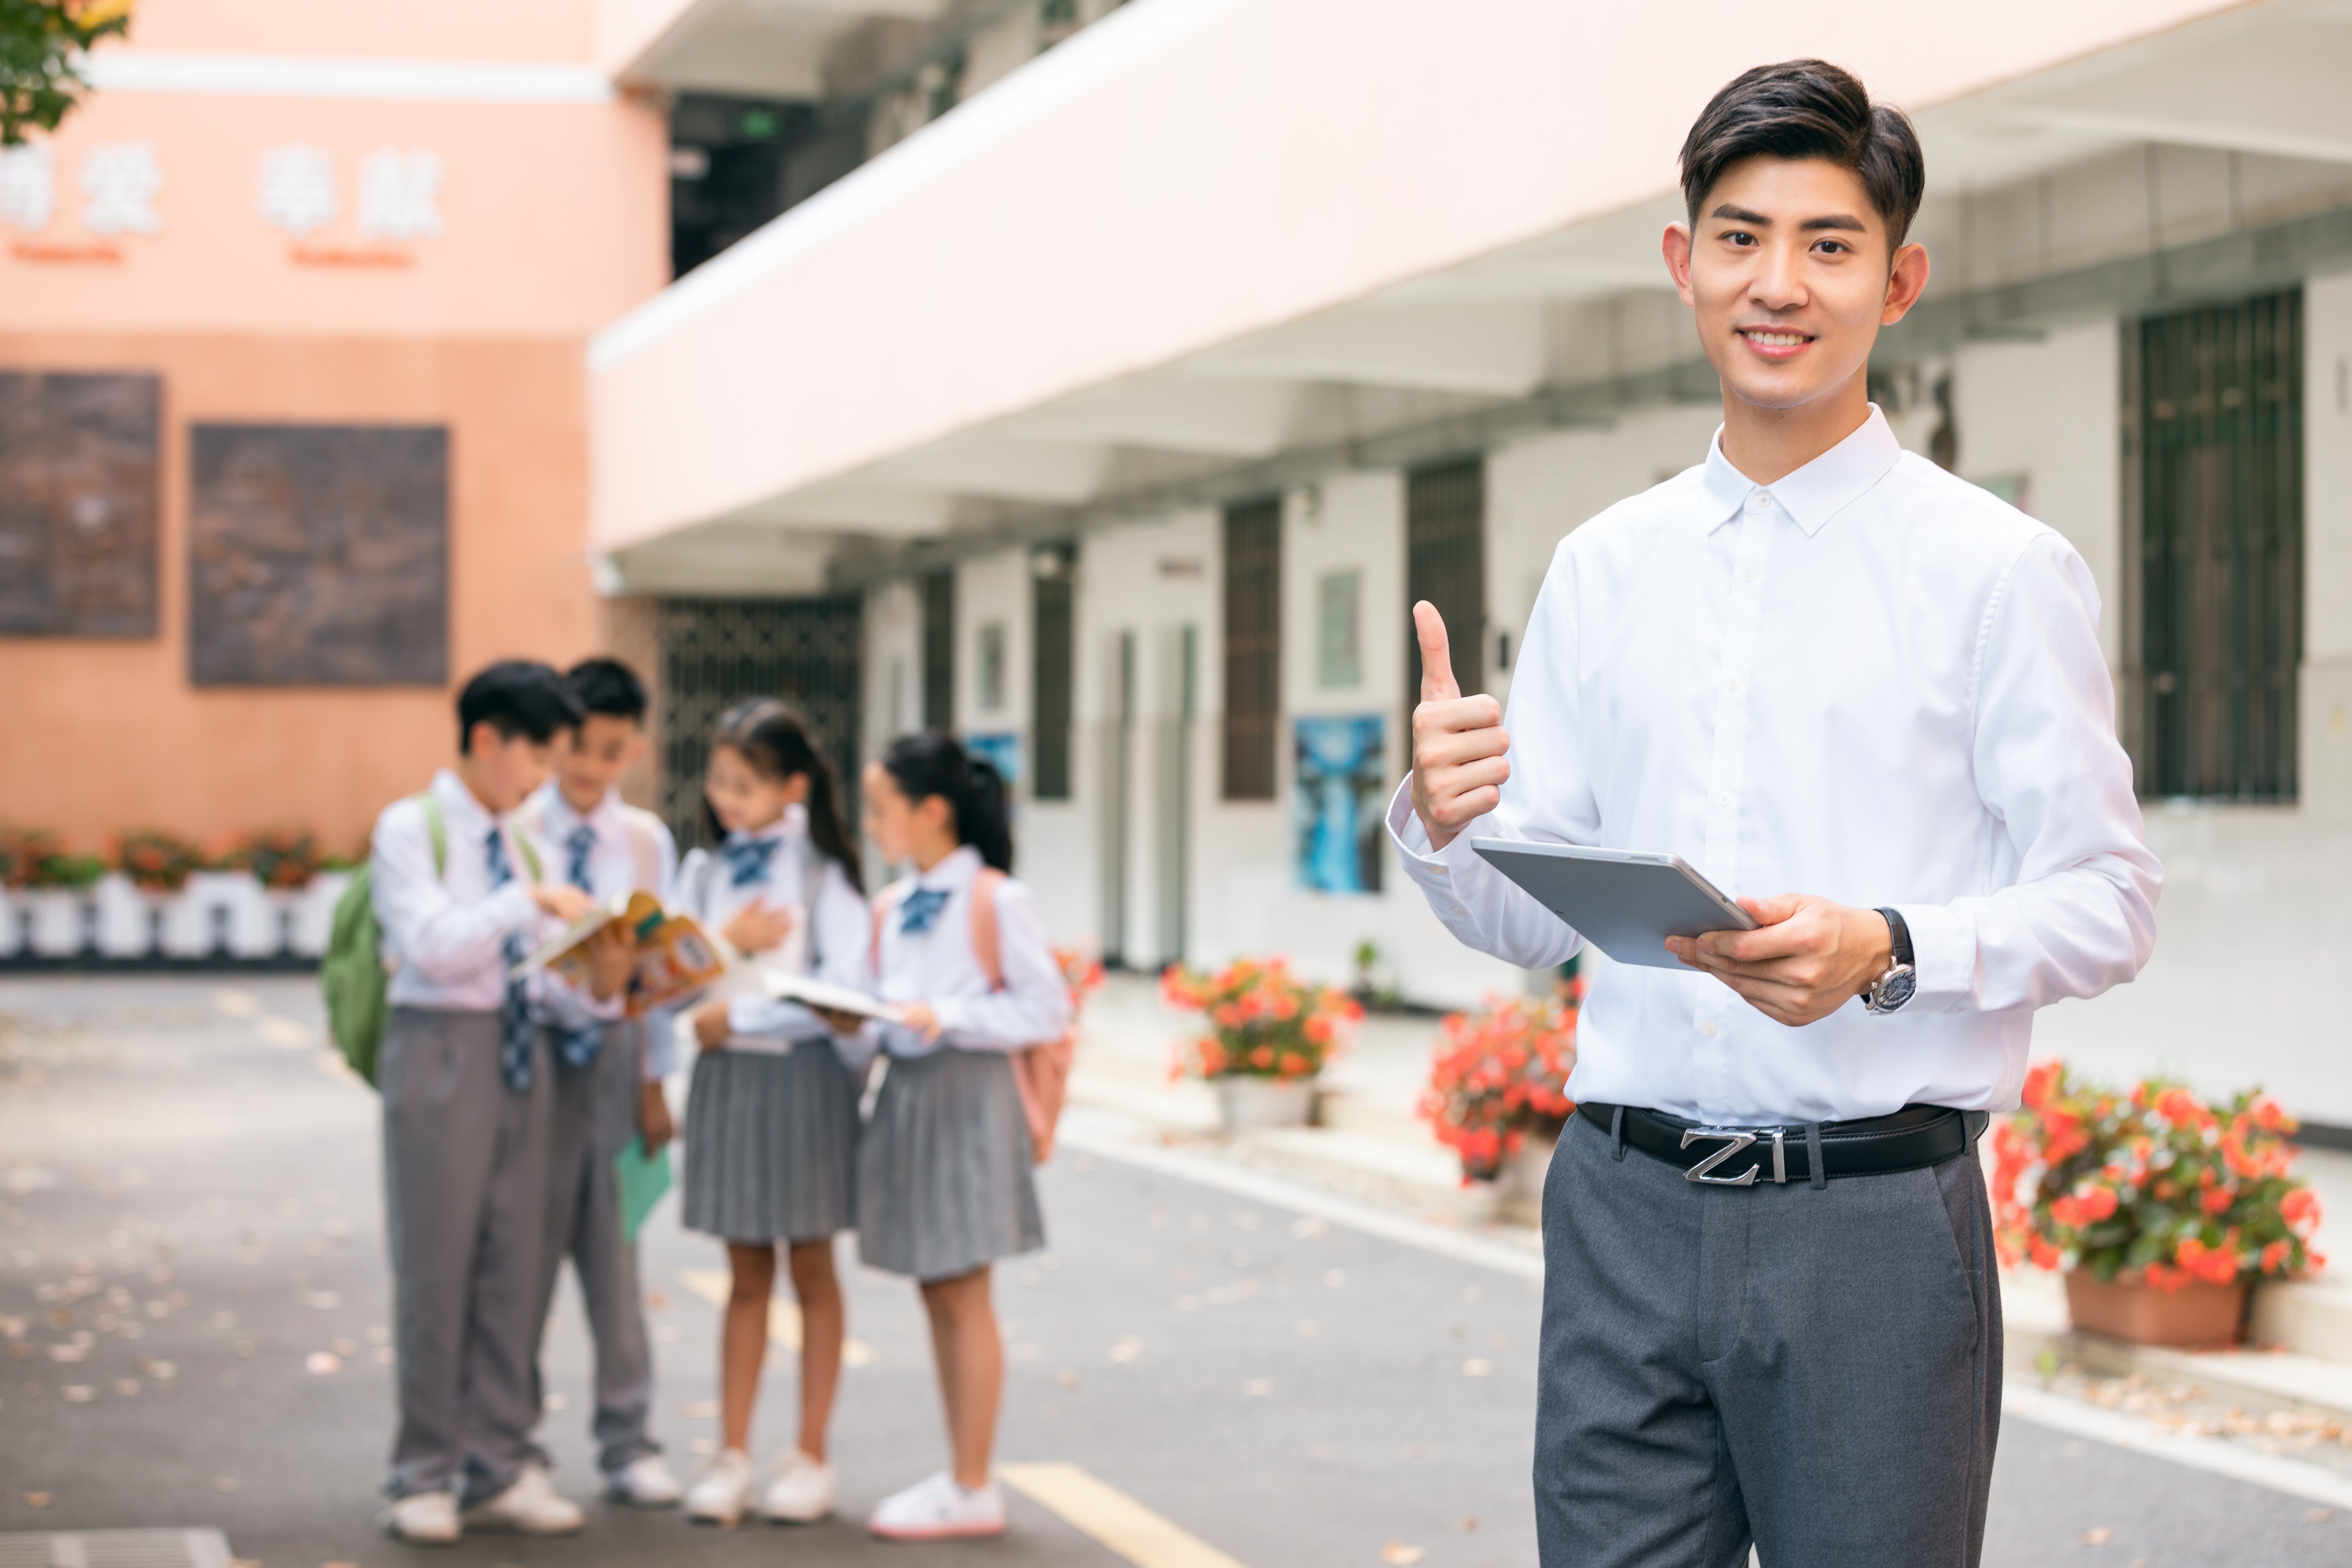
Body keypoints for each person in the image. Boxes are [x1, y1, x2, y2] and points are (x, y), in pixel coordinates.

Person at [1395, 61, 2161, 1568]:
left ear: (1899, 279)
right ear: (1682, 264)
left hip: (1870, 1224)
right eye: (1739, 237)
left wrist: (1887, 944)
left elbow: (2107, 900)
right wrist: (1443, 816)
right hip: (1619, 1203)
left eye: (1828, 243)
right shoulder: (1601, 565)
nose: (1779, 283)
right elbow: (1529, 923)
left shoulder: (1993, 570)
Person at [371, 661, 637, 1544]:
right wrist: (523, 902)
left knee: (517, 1267)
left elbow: (555, 980)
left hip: (532, 1058)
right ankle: (425, 1470)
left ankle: (502, 1462)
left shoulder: (528, 842)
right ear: (487, 740)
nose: (541, 779)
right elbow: (434, 948)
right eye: (537, 756)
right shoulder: (412, 829)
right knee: (436, 1265)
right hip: (441, 1051)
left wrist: (604, 978)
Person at [854, 733, 1071, 1542]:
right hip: (912, 1097)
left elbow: (1046, 1010)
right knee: (936, 1287)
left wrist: (948, 1016)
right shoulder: (887, 904)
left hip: (970, 1097)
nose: (871, 824)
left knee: (962, 1288)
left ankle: (972, 1482)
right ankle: (960, 1473)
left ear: (931, 811)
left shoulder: (994, 898)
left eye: (881, 809)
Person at [676, 699, 872, 1526]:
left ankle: (811, 1454)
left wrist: (739, 1017)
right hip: (730, 1083)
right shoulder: (703, 871)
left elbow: (847, 995)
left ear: (793, 786)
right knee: (745, 1274)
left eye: (745, 784)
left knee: (813, 1270)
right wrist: (723, 945)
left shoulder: (825, 870)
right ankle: (733, 1453)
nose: (727, 798)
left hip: (801, 1080)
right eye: (720, 780)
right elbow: (670, 974)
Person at [517, 656, 685, 1508]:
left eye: (612, 752)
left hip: (620, 1056)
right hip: (539, 1056)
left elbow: (657, 974)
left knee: (616, 1258)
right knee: (523, 1258)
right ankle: (515, 1448)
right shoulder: (516, 831)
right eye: (579, 746)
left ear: (636, 750)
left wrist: (658, 1081)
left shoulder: (647, 842)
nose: (590, 768)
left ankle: (630, 1442)